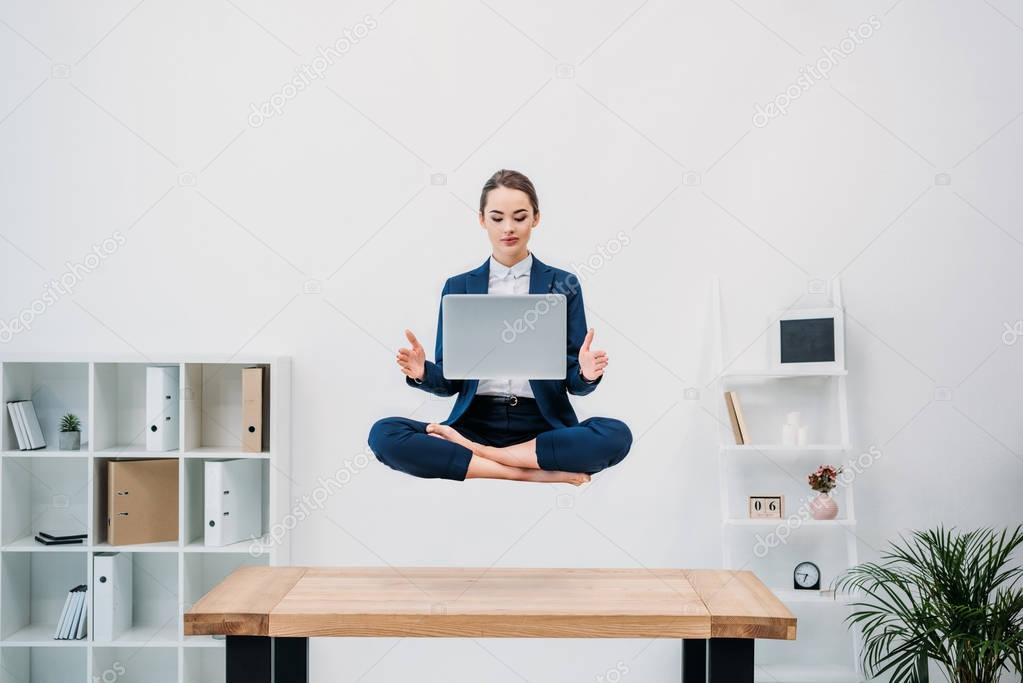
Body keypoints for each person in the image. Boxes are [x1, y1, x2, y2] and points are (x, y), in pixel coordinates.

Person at [367, 169, 632, 484]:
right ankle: (532, 474)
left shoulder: (563, 284)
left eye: (519, 217)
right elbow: (450, 382)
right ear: (481, 220)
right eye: (497, 218)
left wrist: (588, 372)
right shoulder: (459, 286)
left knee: (616, 435)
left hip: (542, 426)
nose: (508, 227)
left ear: (535, 218)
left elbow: (575, 383)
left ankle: (486, 457)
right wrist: (421, 371)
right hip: (474, 420)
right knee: (384, 435)